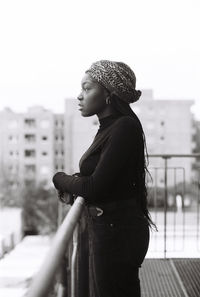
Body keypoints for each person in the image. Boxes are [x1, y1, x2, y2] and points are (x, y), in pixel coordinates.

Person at [53, 60, 156, 297]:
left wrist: (59, 178)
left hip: (118, 232)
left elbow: (94, 187)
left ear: (109, 93)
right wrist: (77, 180)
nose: (80, 96)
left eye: (87, 88)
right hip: (111, 228)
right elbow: (99, 176)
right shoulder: (109, 127)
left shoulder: (124, 127)